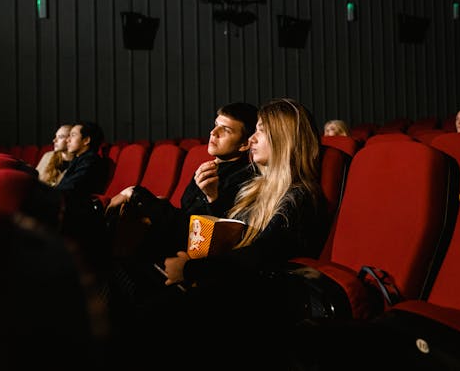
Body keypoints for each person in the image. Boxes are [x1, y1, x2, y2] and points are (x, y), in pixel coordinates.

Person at [112, 98, 328, 368]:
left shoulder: (299, 196)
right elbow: (227, 230)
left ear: (282, 139)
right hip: (222, 280)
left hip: (247, 299)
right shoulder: (257, 187)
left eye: (260, 130)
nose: (252, 138)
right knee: (120, 269)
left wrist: (190, 270)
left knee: (143, 314)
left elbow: (260, 254)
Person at [105, 102, 258, 262]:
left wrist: (134, 193)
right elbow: (185, 215)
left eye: (225, 130)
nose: (213, 132)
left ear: (244, 144)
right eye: (215, 125)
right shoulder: (209, 167)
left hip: (193, 259)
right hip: (172, 245)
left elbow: (207, 233)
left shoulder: (246, 179)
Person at [55, 121, 108, 198]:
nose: (67, 140)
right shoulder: (80, 158)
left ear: (86, 140)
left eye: (73, 135)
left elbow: (71, 187)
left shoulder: (90, 161)